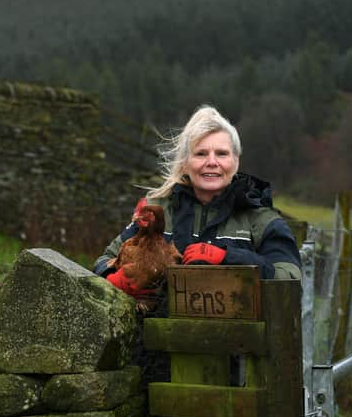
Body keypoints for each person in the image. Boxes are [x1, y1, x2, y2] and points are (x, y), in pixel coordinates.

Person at [93, 105, 301, 292]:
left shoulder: (260, 218)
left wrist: (228, 257)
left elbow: (290, 277)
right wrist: (115, 278)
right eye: (200, 154)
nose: (211, 162)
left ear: (235, 161)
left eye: (221, 153)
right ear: (185, 163)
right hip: (159, 332)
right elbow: (104, 261)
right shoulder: (157, 211)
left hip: (240, 331)